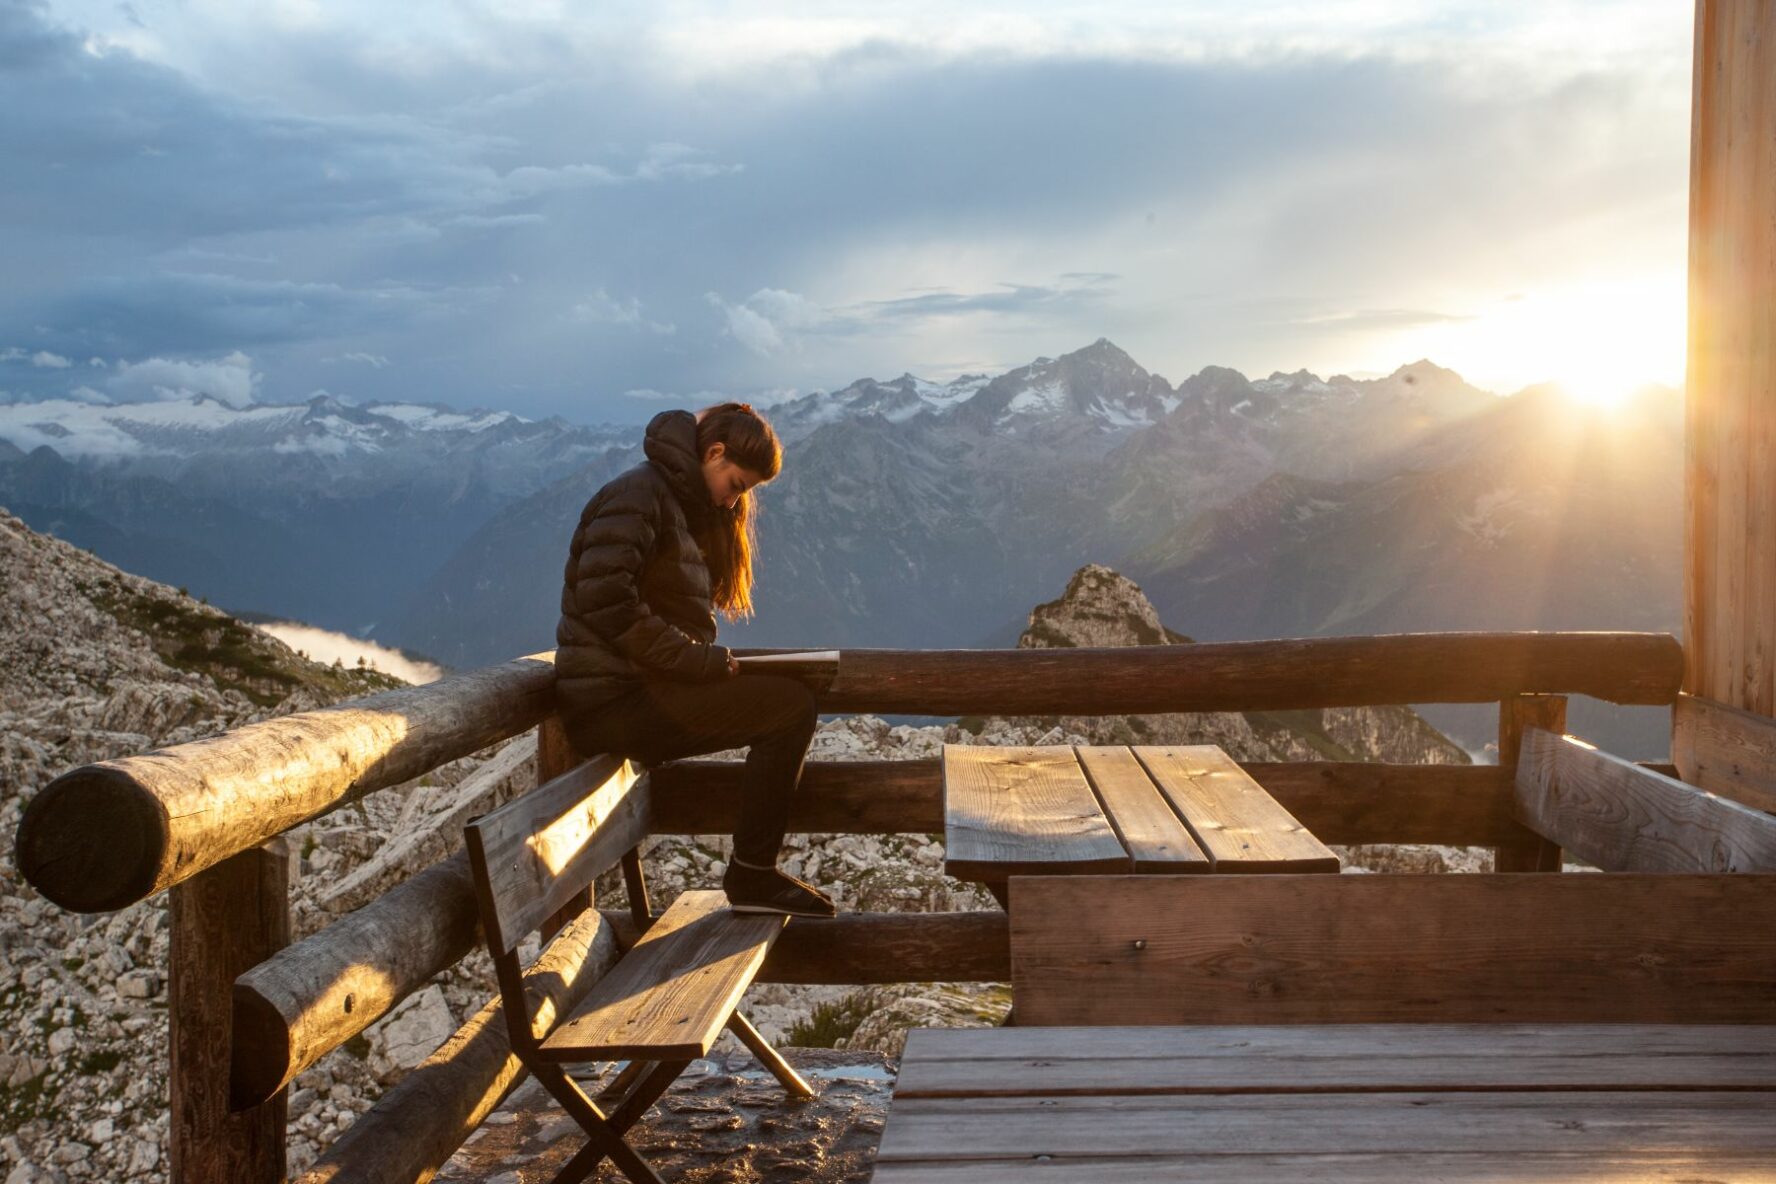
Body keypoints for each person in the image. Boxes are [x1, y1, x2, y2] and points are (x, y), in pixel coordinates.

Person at [553, 401, 835, 918]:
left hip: (633, 690)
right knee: (790, 709)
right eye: (735, 484)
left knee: (791, 699)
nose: (733, 503)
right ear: (714, 451)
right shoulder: (637, 495)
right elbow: (606, 604)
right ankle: (752, 875)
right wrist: (696, 662)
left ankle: (754, 873)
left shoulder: (673, 499)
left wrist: (698, 663)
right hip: (612, 703)